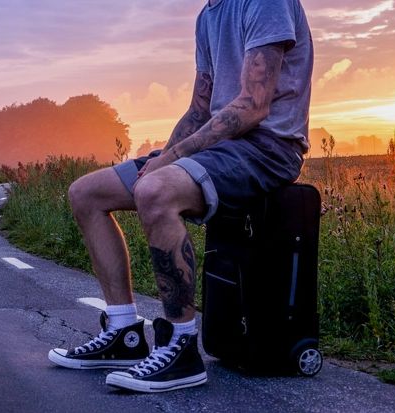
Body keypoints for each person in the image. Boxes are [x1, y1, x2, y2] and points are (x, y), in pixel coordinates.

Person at [48, 0, 313, 393]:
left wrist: (169, 161)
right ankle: (124, 334)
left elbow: (254, 106)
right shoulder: (208, 14)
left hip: (267, 148)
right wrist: (162, 157)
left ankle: (181, 346)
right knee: (86, 193)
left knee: (154, 191)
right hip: (221, 147)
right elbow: (199, 110)